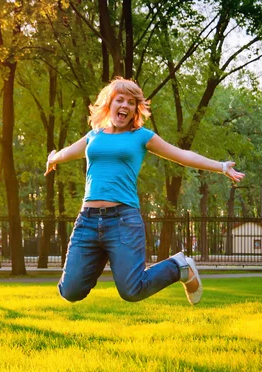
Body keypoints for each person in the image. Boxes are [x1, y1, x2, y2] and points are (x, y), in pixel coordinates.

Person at [44, 77, 245, 305]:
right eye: (120, 100)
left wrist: (220, 167)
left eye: (131, 103)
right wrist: (53, 158)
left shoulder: (141, 136)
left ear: (135, 110)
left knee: (132, 291)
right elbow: (68, 152)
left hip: (122, 221)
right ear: (109, 104)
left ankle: (179, 266)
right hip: (87, 222)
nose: (125, 106)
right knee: (69, 291)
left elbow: (182, 155)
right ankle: (99, 257)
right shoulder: (94, 136)